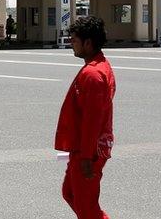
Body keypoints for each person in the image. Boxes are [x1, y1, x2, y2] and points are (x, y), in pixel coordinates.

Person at [55, 16, 116, 218]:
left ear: (88, 43)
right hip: (83, 147)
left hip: (88, 150)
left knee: (86, 206)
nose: (71, 43)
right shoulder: (99, 66)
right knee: (70, 193)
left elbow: (93, 120)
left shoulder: (93, 74)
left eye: (74, 40)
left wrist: (87, 157)